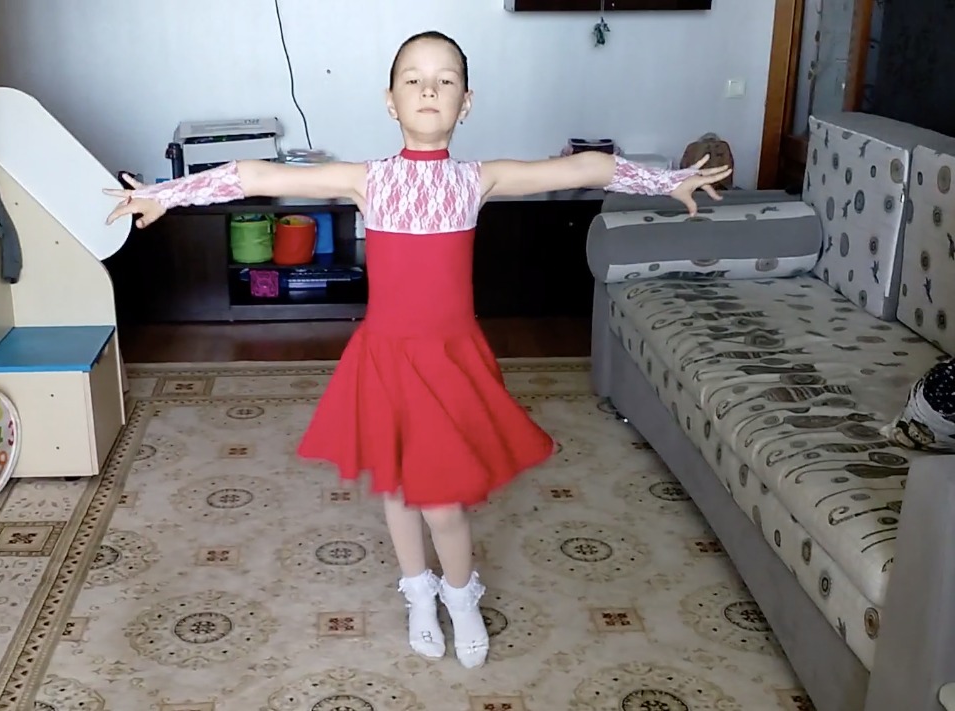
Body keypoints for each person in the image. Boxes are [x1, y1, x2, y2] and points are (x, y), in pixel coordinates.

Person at [105, 30, 731, 669]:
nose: (429, 89)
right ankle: (418, 591)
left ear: (466, 103)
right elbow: (255, 174)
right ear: (390, 100)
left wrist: (668, 182)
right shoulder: (367, 180)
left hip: (449, 362)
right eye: (413, 79)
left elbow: (585, 168)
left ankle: (461, 594)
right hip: (385, 358)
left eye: (445, 80)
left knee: (442, 502)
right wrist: (166, 194)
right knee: (400, 487)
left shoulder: (477, 180)